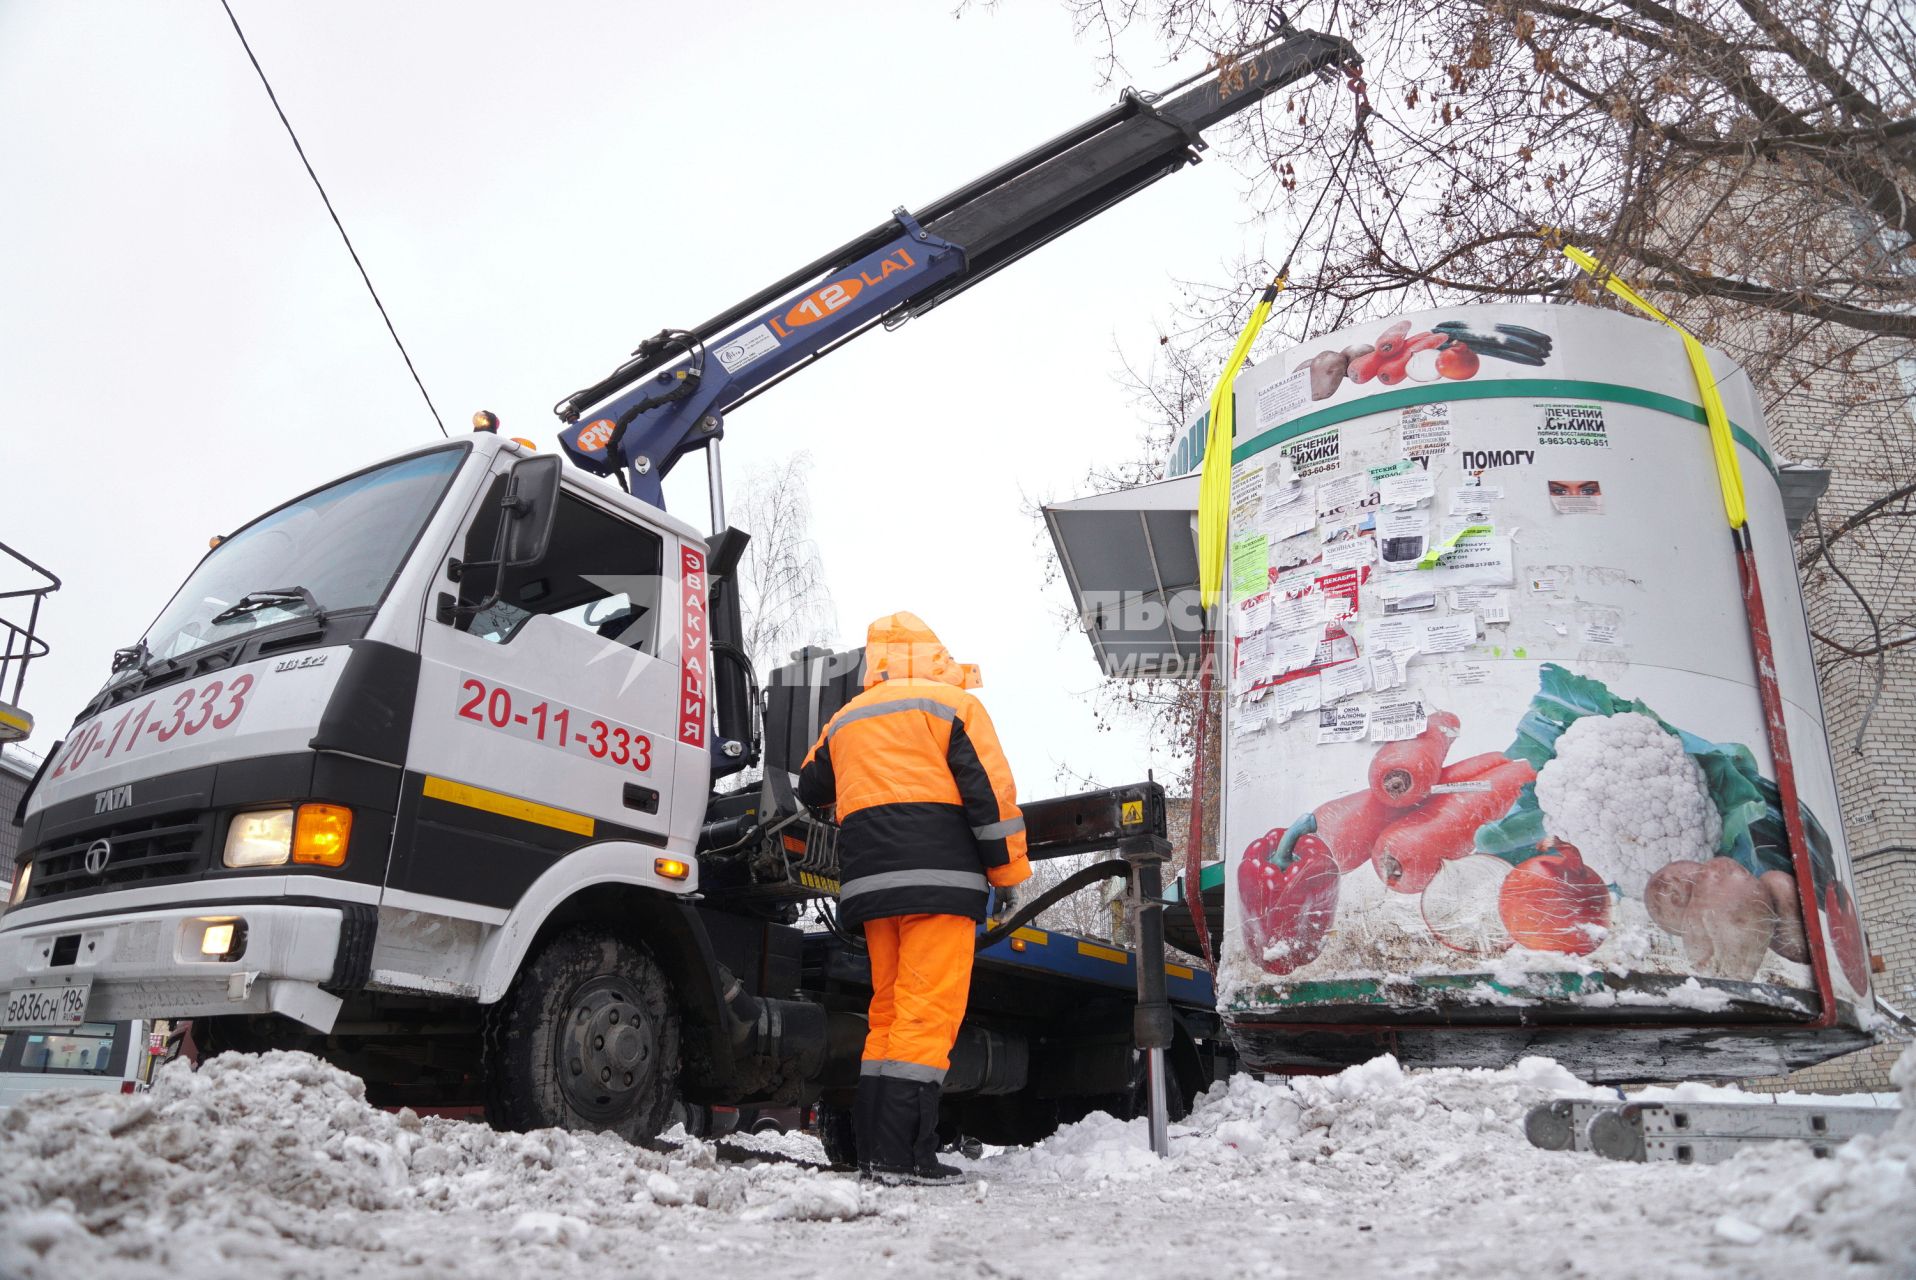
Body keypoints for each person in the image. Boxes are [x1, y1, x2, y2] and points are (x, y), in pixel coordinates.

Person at [799, 612, 1029, 1185]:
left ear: (876, 659)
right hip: (940, 884)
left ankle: (877, 1153)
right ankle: (905, 1158)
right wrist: (1007, 874)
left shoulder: (846, 718)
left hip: (871, 888)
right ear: (934, 655)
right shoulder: (954, 706)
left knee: (888, 1016)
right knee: (926, 1019)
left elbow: (810, 785)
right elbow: (991, 798)